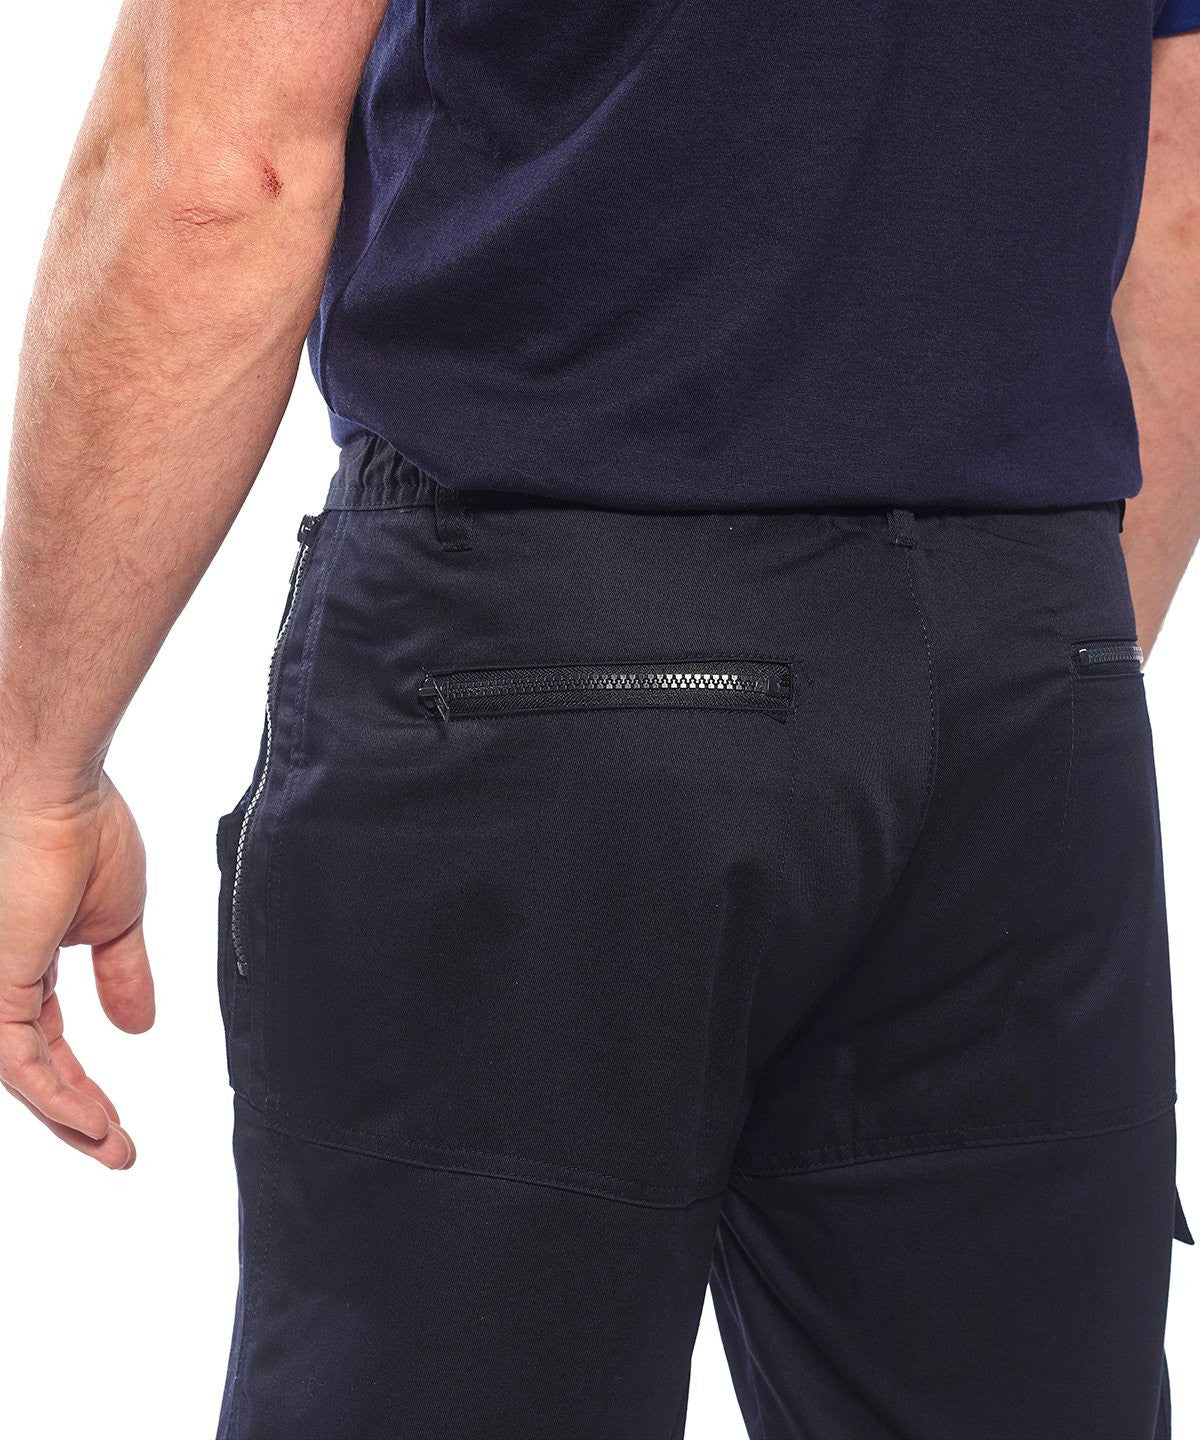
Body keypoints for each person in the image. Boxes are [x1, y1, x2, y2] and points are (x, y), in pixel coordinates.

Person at [1, 1, 1198, 1435]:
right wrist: (1043, 666)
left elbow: (217, 173)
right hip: (1026, 683)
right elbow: (1180, 173)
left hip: (544, 656)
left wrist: (34, 774)